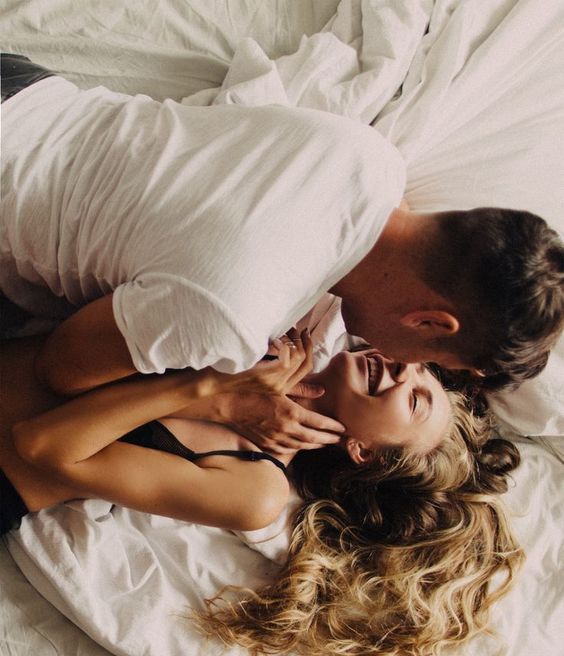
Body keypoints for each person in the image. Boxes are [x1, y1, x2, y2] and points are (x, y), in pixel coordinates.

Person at [1, 55, 563, 454]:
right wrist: (225, 399)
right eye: (434, 360)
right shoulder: (232, 315)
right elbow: (60, 368)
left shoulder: (371, 156)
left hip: (29, 89)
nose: (405, 362)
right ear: (430, 321)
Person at [1, 330, 523, 656]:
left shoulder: (255, 487)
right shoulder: (280, 339)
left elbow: (40, 444)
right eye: (419, 369)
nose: (403, 369)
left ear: (365, 453)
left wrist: (212, 396)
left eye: (414, 400)